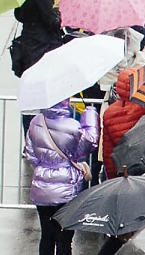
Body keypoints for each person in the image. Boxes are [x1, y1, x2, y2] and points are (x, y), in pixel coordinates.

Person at [24, 99, 95, 255]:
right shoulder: (72, 126)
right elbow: (88, 145)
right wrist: (90, 115)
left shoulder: (36, 122)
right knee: (64, 239)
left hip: (42, 187)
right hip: (67, 187)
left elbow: (30, 154)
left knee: (47, 235)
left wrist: (45, 167)